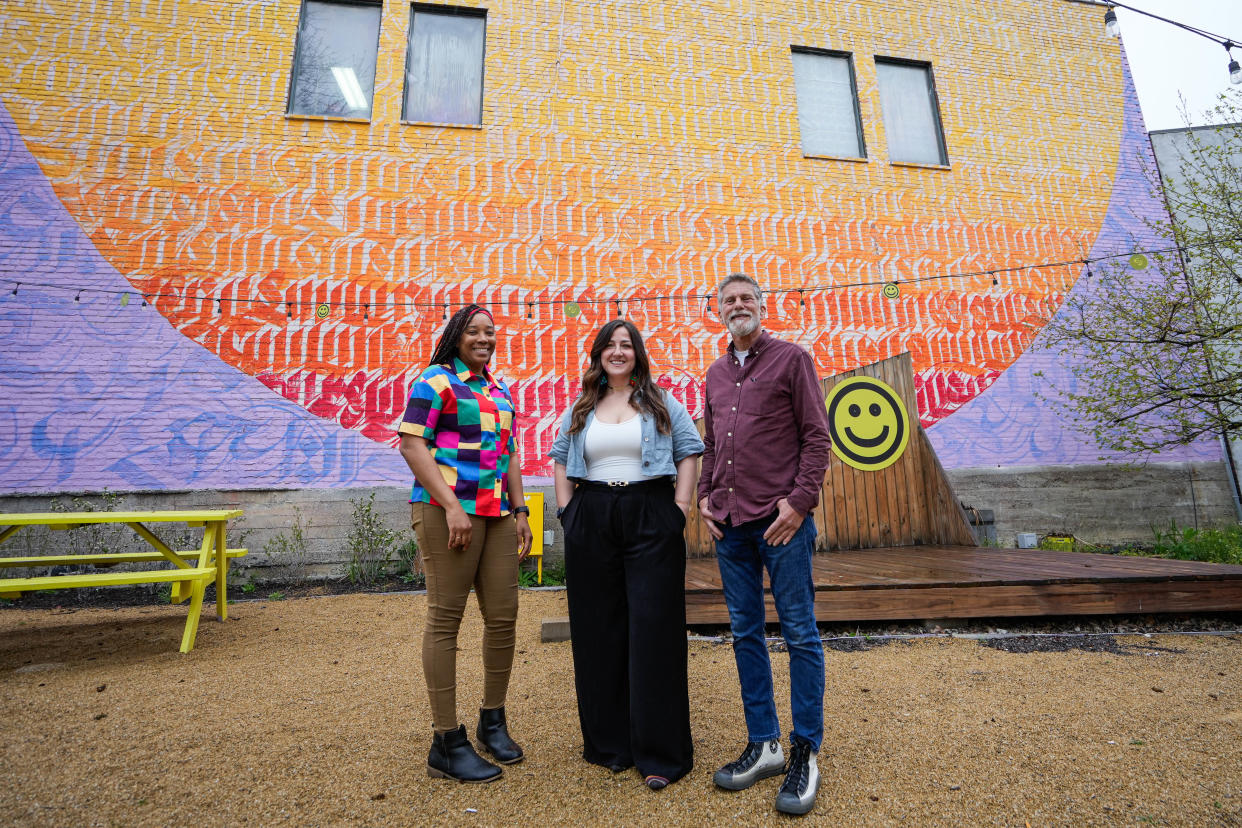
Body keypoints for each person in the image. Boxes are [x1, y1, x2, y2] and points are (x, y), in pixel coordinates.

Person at [548, 319, 704, 791]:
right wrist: (566, 512)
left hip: (649, 512)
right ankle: (610, 744)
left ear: (637, 354)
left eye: (626, 345)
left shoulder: (659, 402)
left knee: (654, 629)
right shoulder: (583, 407)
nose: (618, 352)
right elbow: (559, 456)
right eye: (610, 346)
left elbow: (689, 450)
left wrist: (678, 508)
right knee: (599, 629)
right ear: (598, 354)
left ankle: (660, 753)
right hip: (591, 514)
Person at [698, 274, 832, 816]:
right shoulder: (713, 373)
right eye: (729, 300)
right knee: (744, 633)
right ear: (718, 311)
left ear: (761, 305)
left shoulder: (792, 360)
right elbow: (710, 443)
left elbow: (817, 437)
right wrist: (705, 496)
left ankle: (805, 751)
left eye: (746, 298)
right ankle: (765, 743)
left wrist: (799, 504)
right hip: (730, 526)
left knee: (800, 632)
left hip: (782, 525)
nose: (738, 306)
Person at [398, 303, 534, 783]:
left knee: (502, 618)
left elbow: (509, 453)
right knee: (445, 620)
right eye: (474, 331)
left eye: (490, 332)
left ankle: (491, 721)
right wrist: (452, 506)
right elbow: (411, 443)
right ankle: (445, 742)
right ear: (456, 337)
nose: (483, 339)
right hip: (446, 515)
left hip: (497, 516)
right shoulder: (435, 381)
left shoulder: (498, 390)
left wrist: (521, 511)